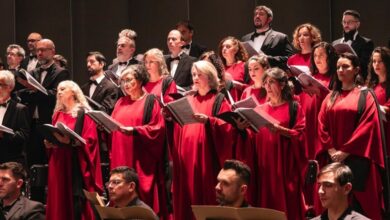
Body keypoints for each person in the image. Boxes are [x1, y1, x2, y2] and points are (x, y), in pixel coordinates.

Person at [317, 53, 384, 219]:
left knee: (360, 210)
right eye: (338, 67)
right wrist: (332, 150)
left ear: (356, 70)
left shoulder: (365, 95)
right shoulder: (330, 97)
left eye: (345, 66)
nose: (340, 70)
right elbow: (321, 124)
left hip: (358, 160)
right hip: (333, 160)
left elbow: (367, 125)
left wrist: (345, 152)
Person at [167, 60, 236, 220]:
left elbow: (228, 127)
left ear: (210, 77)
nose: (195, 78)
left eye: (199, 74)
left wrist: (209, 121)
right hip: (186, 158)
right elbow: (181, 127)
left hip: (206, 158)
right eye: (193, 75)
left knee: (204, 196)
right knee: (187, 197)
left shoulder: (219, 100)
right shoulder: (189, 99)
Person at [248, 67, 307, 219]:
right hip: (264, 166)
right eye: (265, 82)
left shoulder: (293, 107)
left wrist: (280, 130)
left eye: (271, 82)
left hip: (285, 166)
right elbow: (252, 137)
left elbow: (301, 134)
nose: (267, 86)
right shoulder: (259, 109)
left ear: (282, 85)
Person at [110, 64, 167, 218]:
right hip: (120, 153)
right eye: (123, 81)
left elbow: (158, 129)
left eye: (129, 80)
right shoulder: (120, 102)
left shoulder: (150, 101)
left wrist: (135, 130)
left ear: (140, 80)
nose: (126, 85)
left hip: (139, 158)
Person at [43, 80, 103, 220]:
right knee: (59, 196)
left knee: (73, 200)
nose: (59, 92)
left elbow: (91, 141)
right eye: (58, 89)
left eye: (63, 89)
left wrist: (70, 142)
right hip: (58, 161)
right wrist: (50, 144)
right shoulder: (57, 114)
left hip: (74, 162)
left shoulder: (84, 113)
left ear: (74, 92)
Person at [19, 39, 71, 169]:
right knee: (32, 161)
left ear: (52, 52)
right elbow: (22, 93)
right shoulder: (32, 72)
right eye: (38, 50)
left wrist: (35, 93)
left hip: (49, 123)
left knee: (50, 161)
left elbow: (55, 96)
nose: (39, 53)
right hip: (31, 122)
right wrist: (40, 93)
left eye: (43, 50)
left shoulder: (61, 72)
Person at [81, 51, 119, 163]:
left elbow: (106, 110)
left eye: (92, 62)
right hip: (86, 135)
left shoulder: (111, 87)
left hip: (101, 137)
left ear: (102, 64)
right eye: (87, 62)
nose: (88, 65)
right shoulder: (84, 87)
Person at [241, 5, 294, 70]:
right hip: (250, 77)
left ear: (269, 19)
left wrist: (269, 58)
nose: (257, 16)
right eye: (255, 14)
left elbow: (290, 58)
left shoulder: (281, 37)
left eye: (261, 14)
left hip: (271, 76)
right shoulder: (245, 38)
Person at [332, 10, 374, 81]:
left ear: (357, 24)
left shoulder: (366, 43)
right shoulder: (335, 43)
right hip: (337, 82)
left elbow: (365, 67)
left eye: (350, 22)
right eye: (344, 22)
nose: (346, 24)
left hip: (356, 82)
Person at [0, 71, 30, 167]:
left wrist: (3, 134)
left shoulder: (20, 109)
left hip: (11, 160)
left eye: (1, 84)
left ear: (10, 87)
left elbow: (24, 136)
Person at [366, 47, 390, 157]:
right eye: (374, 61)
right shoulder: (371, 85)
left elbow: (387, 108)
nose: (376, 64)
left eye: (380, 61)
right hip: (374, 131)